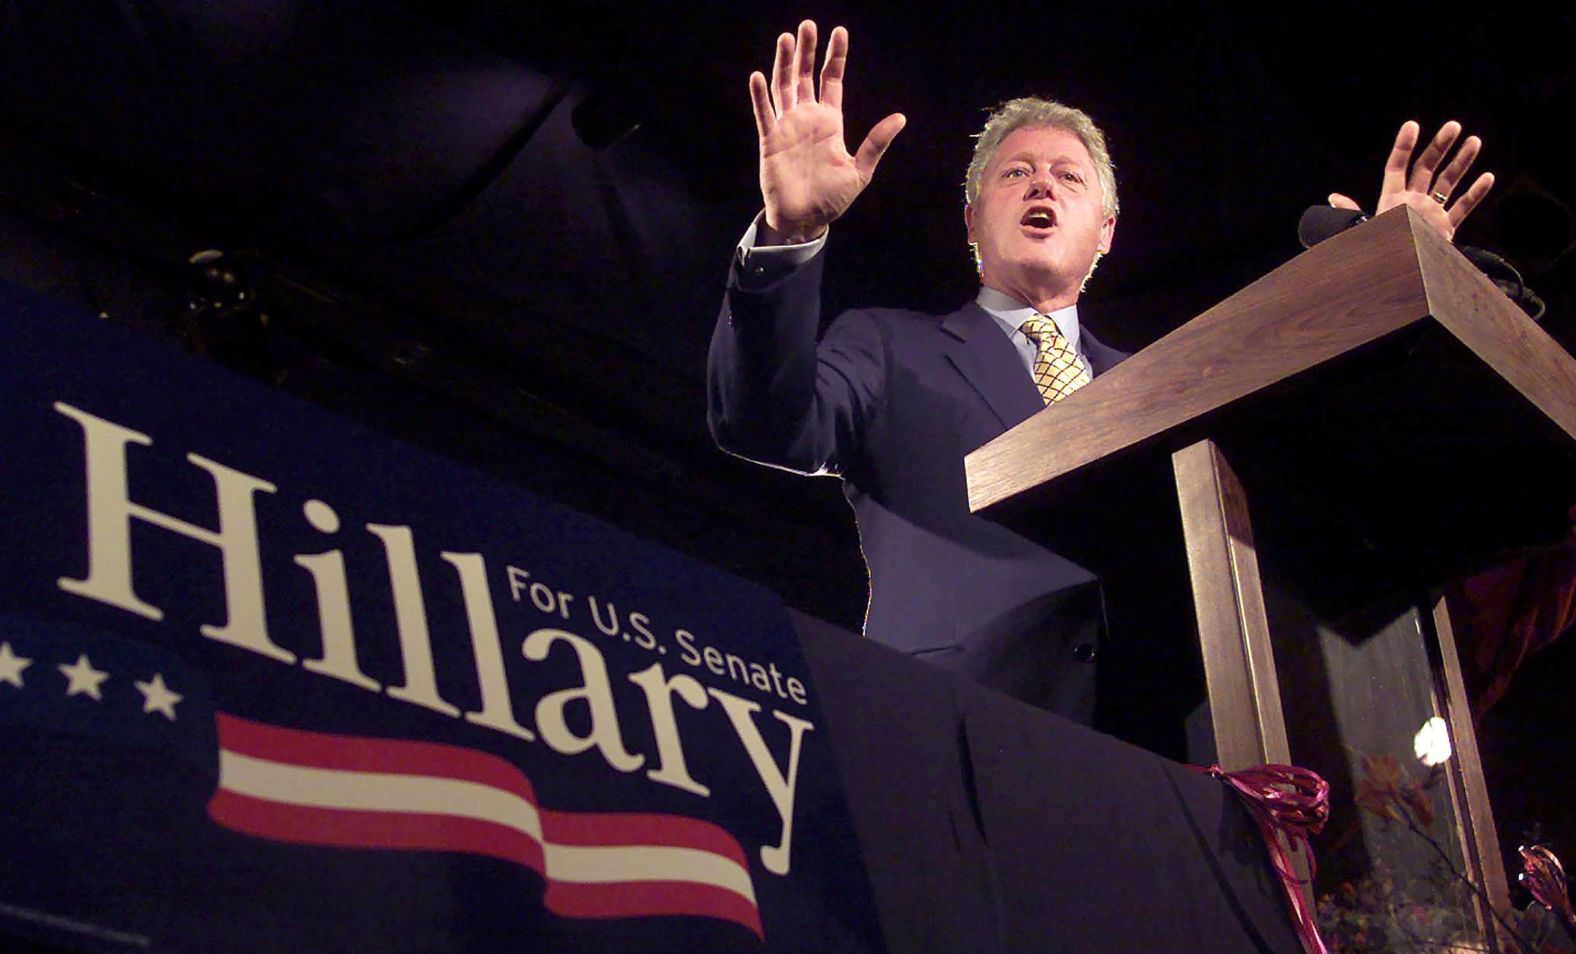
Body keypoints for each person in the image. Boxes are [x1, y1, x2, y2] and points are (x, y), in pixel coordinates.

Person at [707, 19, 1494, 725]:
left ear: (1107, 232)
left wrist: (1388, 279)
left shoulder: (1169, 387)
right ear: (973, 222)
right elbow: (761, 420)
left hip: (1163, 749)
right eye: (1014, 174)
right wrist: (789, 232)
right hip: (951, 731)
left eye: (1067, 175)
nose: (1042, 182)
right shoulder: (889, 345)